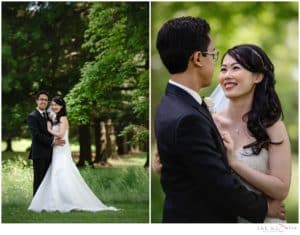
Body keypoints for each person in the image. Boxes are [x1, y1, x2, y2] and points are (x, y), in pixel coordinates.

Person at [154, 16, 285, 223]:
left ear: (258, 77)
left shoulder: (173, 104)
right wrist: (265, 208)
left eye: (236, 68)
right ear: (198, 58)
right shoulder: (189, 117)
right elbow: (218, 184)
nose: (220, 71)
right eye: (214, 57)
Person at [212, 44, 291, 223]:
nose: (227, 75)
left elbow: (281, 189)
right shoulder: (211, 122)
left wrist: (235, 164)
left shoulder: (272, 127)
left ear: (258, 76)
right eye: (223, 69)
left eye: (236, 68)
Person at [28, 96, 118, 212]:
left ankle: (68, 201)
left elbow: (60, 134)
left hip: (61, 150)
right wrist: (50, 131)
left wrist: (49, 129)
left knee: (62, 173)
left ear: (62, 106)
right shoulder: (53, 117)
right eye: (53, 104)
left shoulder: (63, 118)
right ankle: (54, 201)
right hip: (55, 150)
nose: (54, 107)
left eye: (57, 105)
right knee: (54, 175)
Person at [28, 90, 65, 196]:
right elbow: (37, 135)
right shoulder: (32, 116)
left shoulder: (48, 115)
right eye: (41, 99)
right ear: (37, 101)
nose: (43, 101)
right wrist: (53, 141)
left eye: (45, 100)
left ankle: (46, 203)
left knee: (47, 180)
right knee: (39, 180)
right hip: (39, 153)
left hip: (50, 152)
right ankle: (36, 204)